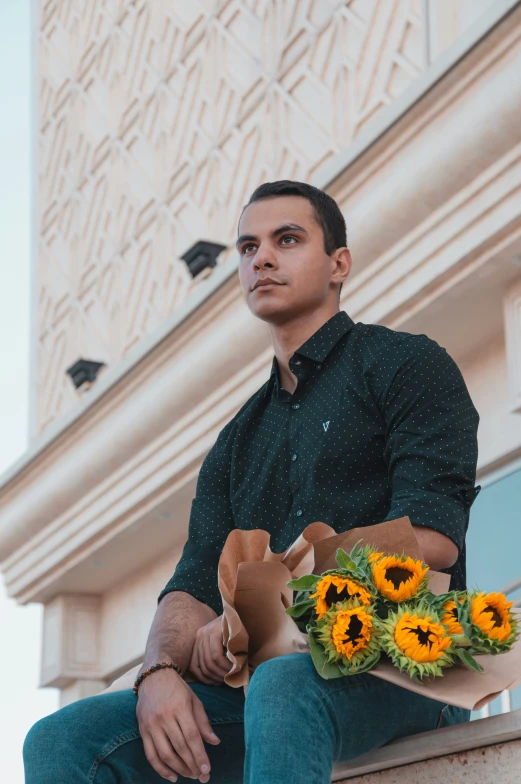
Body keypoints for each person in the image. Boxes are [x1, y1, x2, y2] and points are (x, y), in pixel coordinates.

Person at [24, 181, 480, 784]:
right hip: (266, 682)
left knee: (283, 681)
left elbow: (429, 539)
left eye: (287, 239)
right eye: (246, 247)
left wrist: (252, 615)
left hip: (410, 656)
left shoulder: (405, 363)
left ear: (339, 262)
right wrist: (158, 674)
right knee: (63, 737)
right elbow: (190, 584)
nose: (260, 258)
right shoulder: (237, 438)